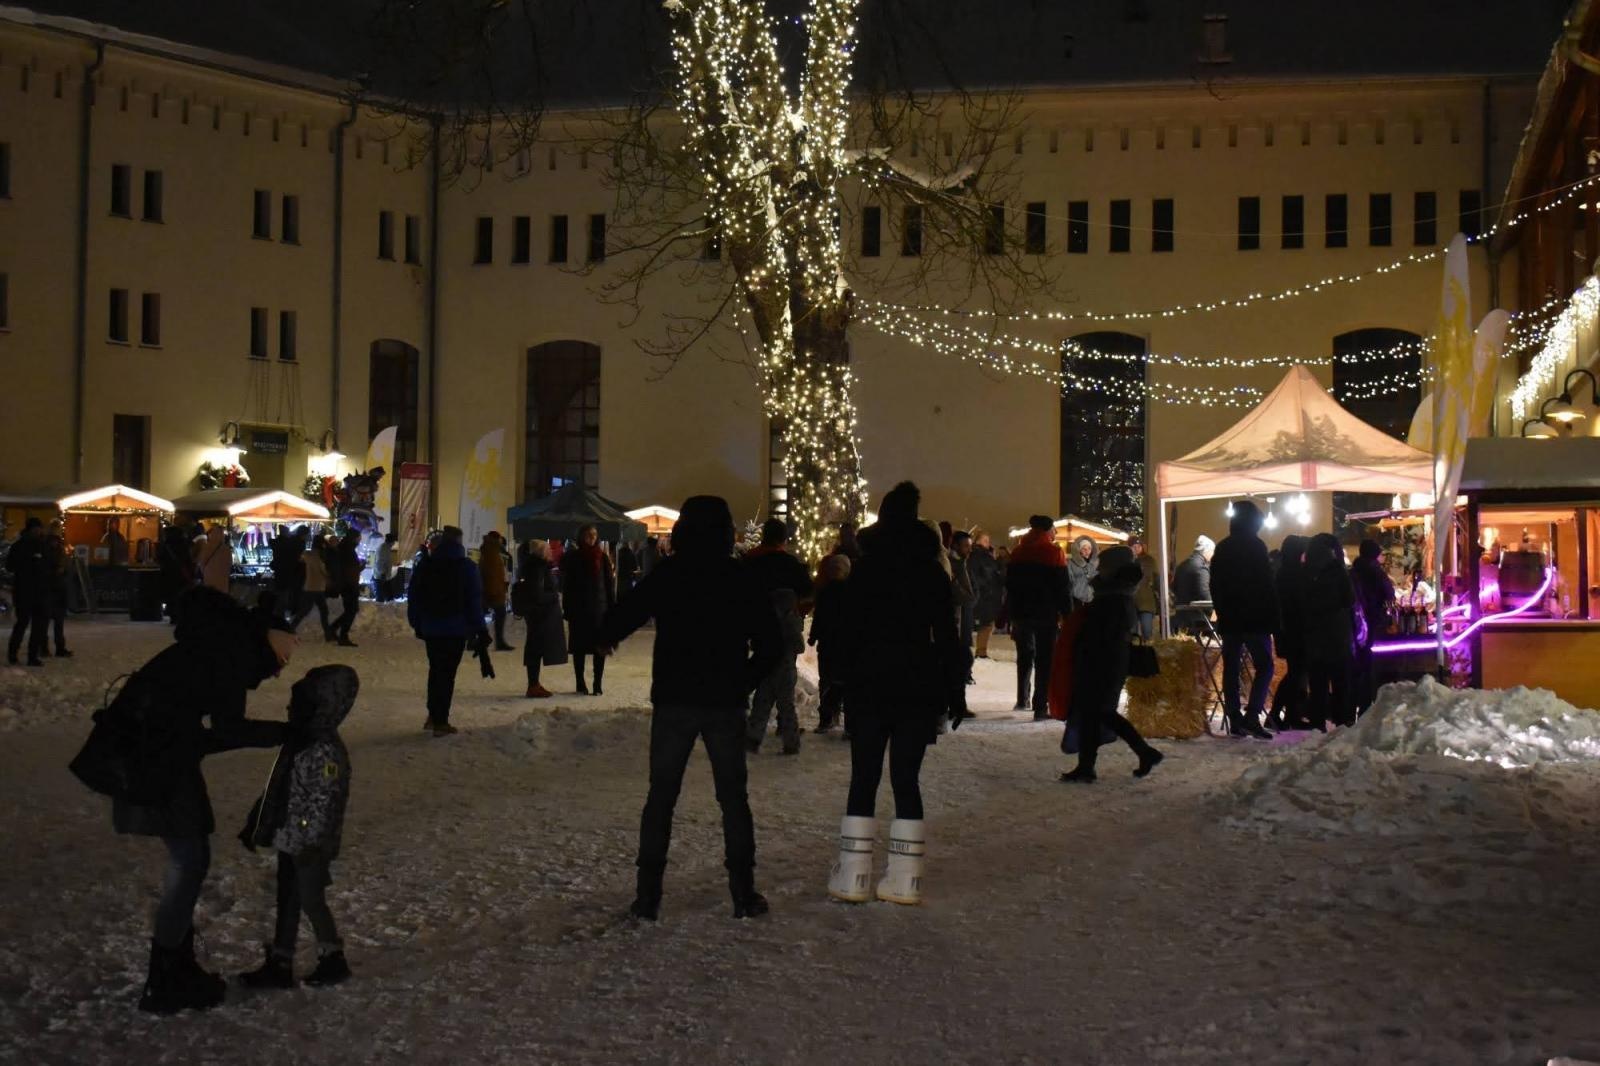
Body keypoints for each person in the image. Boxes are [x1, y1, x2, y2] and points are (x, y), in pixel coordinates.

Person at [107, 586, 295, 1013]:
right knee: (189, 860)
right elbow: (227, 729)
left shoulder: (216, 646)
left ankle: (175, 964)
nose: (278, 673)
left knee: (190, 857)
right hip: (154, 759)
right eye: (280, 661)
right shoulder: (229, 656)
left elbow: (206, 732)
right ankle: (165, 977)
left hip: (154, 752)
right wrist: (283, 733)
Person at [598, 495, 781, 921]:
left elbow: (628, 611)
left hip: (675, 698)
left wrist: (605, 634)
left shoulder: (671, 574)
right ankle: (743, 892)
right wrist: (744, 680)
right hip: (723, 700)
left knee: (661, 797)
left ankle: (647, 898)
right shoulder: (739, 578)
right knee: (733, 799)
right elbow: (772, 643)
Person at [825, 482, 959, 907]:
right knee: (906, 778)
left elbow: (847, 631)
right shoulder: (932, 571)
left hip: (870, 683)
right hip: (917, 684)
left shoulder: (866, 569)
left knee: (863, 775)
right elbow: (949, 636)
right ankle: (905, 878)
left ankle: (854, 873)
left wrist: (840, 678)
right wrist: (952, 688)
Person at [237, 664, 357, 989]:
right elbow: (280, 789)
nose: (290, 710)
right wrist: (260, 820)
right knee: (289, 898)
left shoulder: (324, 750)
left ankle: (332, 957)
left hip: (308, 844)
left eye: (299, 705)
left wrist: (311, 841)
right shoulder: (302, 741)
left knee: (310, 898)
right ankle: (281, 959)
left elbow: (325, 802)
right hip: (292, 837)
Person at [1059, 545, 1164, 783]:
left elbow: (1103, 632)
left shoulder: (1113, 596)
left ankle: (1144, 752)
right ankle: (1088, 765)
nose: (1100, 569)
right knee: (1094, 713)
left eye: (1104, 565)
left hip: (1102, 660)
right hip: (1106, 659)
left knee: (1099, 711)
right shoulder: (1117, 593)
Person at [743, 518, 814, 755]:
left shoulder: (751, 562)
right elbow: (808, 595)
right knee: (785, 696)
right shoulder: (791, 565)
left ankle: (754, 735)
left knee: (763, 690)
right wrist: (796, 615)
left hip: (761, 635)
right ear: (784, 539)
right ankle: (789, 735)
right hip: (786, 643)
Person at [407, 526, 486, 737]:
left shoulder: (426, 564)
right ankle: (441, 720)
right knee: (447, 674)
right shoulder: (467, 567)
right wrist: (479, 627)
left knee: (435, 670)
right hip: (456, 628)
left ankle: (433, 715)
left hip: (431, 626)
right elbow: (474, 600)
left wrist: (417, 623)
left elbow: (414, 595)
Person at [1210, 502, 1280, 739]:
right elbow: (1266, 584)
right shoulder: (1256, 546)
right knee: (1265, 666)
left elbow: (1215, 584)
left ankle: (1235, 717)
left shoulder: (1223, 547)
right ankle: (1252, 716)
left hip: (1231, 619)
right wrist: (1272, 616)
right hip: (1254, 618)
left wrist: (1221, 610)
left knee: (1231, 669)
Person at [1005, 515, 1069, 719]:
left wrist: (1010, 614)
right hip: (1045, 613)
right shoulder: (1054, 553)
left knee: (1024, 655)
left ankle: (1021, 698)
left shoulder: (1018, 552)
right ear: (1048, 531)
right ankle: (1040, 706)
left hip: (1022, 614)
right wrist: (1067, 614)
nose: (1055, 534)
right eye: (1054, 531)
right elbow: (1062, 588)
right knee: (1045, 659)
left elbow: (1010, 587)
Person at [1302, 533, 1357, 730]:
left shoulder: (1306, 573)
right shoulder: (1338, 571)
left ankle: (1318, 721)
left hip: (1314, 634)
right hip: (1336, 633)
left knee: (1318, 683)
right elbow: (1349, 599)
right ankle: (1341, 720)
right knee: (1340, 680)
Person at [563, 524, 615, 695]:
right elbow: (568, 586)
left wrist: (612, 608)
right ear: (581, 536)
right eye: (588, 534)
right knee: (579, 649)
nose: (592, 538)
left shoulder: (603, 558)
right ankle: (580, 682)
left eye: (594, 534)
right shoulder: (574, 558)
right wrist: (568, 608)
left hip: (599, 611)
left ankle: (597, 683)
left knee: (599, 648)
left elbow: (609, 585)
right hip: (579, 611)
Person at [1268, 535, 1310, 730]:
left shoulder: (1283, 572)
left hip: (1288, 631)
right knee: (1297, 673)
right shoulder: (1293, 574)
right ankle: (1281, 714)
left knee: (1297, 673)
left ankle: (1288, 714)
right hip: (1295, 631)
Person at [513, 539, 566, 698]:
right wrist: (553, 596)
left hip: (539, 613)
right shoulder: (537, 568)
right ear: (541, 552)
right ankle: (533, 685)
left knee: (535, 648)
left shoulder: (535, 566)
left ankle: (534, 684)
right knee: (535, 648)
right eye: (548, 549)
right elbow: (537, 594)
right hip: (539, 614)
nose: (550, 552)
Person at [1349, 538, 1395, 714]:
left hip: (1356, 623)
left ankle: (1352, 706)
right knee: (1369, 666)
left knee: (1356, 666)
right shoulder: (1376, 572)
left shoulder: (1353, 571)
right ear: (1375, 554)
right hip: (1373, 622)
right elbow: (1389, 594)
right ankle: (1366, 706)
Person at [809, 552, 851, 734]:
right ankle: (849, 722)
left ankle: (826, 718)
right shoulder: (851, 592)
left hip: (827, 644)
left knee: (826, 681)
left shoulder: (825, 592)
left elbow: (818, 618)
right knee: (845, 683)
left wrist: (813, 636)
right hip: (845, 644)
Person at [6, 517, 50, 667]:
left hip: (38, 590)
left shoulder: (41, 545)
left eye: (40, 528)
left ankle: (32, 656)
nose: (39, 531)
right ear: (31, 529)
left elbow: (47, 565)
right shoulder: (20, 546)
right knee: (22, 623)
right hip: (24, 590)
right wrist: (28, 563)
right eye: (36, 528)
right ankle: (13, 653)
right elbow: (10, 566)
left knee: (38, 625)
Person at [967, 529, 1003, 659]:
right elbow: (982, 575)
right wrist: (987, 586)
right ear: (978, 541)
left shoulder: (981, 555)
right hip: (985, 595)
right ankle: (981, 651)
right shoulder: (980, 555)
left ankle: (981, 650)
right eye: (985, 540)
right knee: (986, 624)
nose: (988, 543)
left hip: (986, 595)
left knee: (986, 624)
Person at [1170, 535, 1214, 633]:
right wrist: (1215, 611)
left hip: (1180, 615)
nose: (1213, 554)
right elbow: (1204, 594)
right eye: (1212, 551)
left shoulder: (1182, 565)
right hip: (1198, 616)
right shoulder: (1201, 568)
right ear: (1205, 550)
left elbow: (1174, 587)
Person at [293, 534, 333, 641]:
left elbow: (300, 560)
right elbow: (324, 571)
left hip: (309, 586)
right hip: (318, 587)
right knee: (323, 612)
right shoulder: (322, 556)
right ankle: (328, 635)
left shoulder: (307, 554)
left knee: (304, 611)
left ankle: (290, 629)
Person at [479, 530, 514, 651]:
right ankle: (498, 642)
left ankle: (474, 639)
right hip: (493, 591)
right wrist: (495, 590)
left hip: (491, 590)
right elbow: (491, 574)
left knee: (483, 615)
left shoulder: (490, 550)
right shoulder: (492, 552)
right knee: (499, 614)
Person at [327, 531, 362, 648]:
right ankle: (342, 635)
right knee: (351, 610)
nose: (360, 540)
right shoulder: (348, 550)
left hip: (346, 584)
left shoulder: (344, 548)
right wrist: (359, 567)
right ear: (354, 538)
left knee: (350, 610)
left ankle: (333, 629)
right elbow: (350, 569)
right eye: (359, 538)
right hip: (349, 585)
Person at [45, 520, 73, 657]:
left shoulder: (58, 545)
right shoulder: (50, 545)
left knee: (56, 621)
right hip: (53, 586)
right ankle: (49, 647)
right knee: (50, 621)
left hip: (57, 586)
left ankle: (55, 647)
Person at [949, 529, 977, 659]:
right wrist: (969, 597)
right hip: (957, 615)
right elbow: (957, 590)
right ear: (955, 545)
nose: (970, 550)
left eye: (970, 546)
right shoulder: (952, 564)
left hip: (965, 614)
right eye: (966, 546)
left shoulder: (965, 563)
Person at [1129, 535, 1160, 641]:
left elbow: (1157, 579)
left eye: (1138, 546)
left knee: (1147, 631)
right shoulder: (1127, 562)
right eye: (1133, 546)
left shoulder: (1150, 561)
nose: (1136, 548)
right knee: (1132, 633)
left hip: (1146, 602)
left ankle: (1146, 653)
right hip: (1130, 602)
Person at [194, 524, 232, 594]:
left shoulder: (207, 547)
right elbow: (229, 564)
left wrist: (205, 571)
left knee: (210, 594)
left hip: (209, 576)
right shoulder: (227, 549)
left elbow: (201, 562)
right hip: (222, 578)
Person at [1066, 534, 1099, 610]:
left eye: (1089, 548)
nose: (1087, 551)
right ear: (1079, 550)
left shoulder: (1095, 564)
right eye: (1084, 549)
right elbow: (1069, 581)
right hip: (1076, 600)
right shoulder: (1071, 563)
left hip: (1093, 599)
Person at [373, 533, 398, 602]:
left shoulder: (386, 548)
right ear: (392, 541)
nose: (394, 543)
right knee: (382, 598)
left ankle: (386, 610)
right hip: (381, 577)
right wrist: (383, 574)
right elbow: (380, 563)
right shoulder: (383, 549)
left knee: (388, 597)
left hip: (384, 577)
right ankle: (381, 611)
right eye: (394, 541)